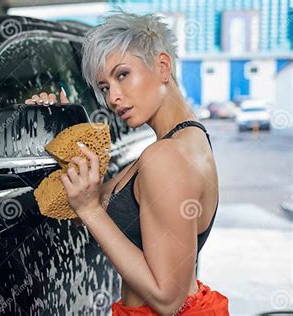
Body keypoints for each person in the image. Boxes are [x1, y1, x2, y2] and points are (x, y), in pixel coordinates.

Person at [25, 7, 229, 315]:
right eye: (105, 87)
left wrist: (90, 208)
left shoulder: (166, 156)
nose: (112, 97)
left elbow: (167, 299)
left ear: (162, 67)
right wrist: (64, 134)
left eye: (122, 75)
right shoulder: (178, 143)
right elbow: (87, 209)